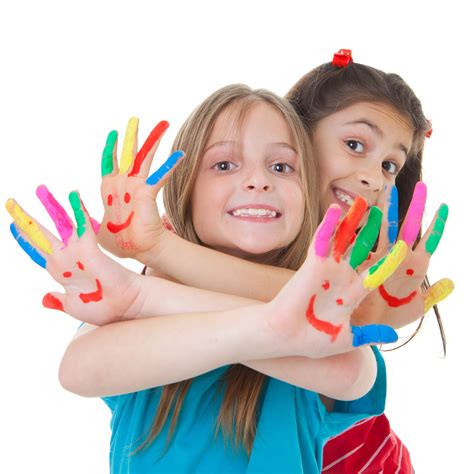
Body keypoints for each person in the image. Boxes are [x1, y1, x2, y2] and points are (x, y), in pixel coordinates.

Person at [7, 85, 410, 472]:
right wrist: (142, 292)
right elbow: (77, 371)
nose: (258, 180)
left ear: (307, 196)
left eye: (282, 166)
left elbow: (351, 372)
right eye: (223, 164)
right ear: (184, 190)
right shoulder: (135, 302)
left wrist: (143, 295)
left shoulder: (327, 311)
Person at [93, 51, 453, 472]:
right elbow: (86, 363)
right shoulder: (188, 241)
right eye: (354, 145)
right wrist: (150, 257)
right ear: (294, 133)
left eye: (391, 165)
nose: (375, 177)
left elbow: (328, 330)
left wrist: (151, 264)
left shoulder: (350, 281)